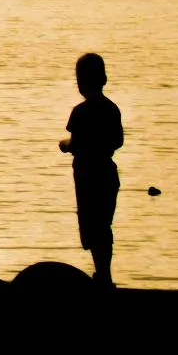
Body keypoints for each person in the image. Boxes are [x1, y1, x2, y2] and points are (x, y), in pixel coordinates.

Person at [60, 51, 125, 284]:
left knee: (91, 224)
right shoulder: (112, 109)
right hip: (107, 173)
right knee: (103, 225)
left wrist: (65, 145)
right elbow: (118, 141)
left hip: (87, 176)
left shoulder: (80, 112)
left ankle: (102, 275)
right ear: (104, 79)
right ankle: (104, 273)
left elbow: (74, 143)